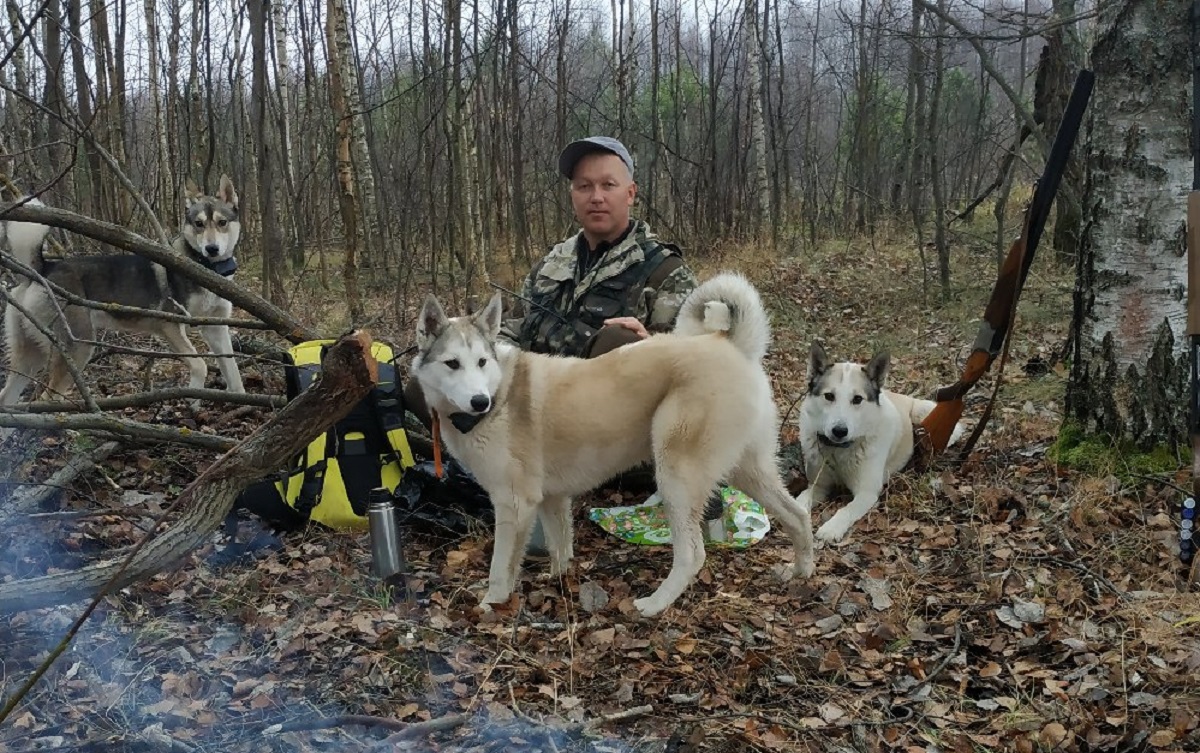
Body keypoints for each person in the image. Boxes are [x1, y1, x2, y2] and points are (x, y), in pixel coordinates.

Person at [405, 136, 699, 422]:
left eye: (608, 185)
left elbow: (695, 365)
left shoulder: (665, 271)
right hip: (534, 408)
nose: (596, 197)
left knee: (620, 340)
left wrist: (650, 346)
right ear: (573, 194)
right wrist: (470, 345)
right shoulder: (551, 264)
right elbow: (510, 332)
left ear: (631, 193)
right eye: (584, 186)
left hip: (611, 429)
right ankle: (471, 456)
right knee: (423, 384)